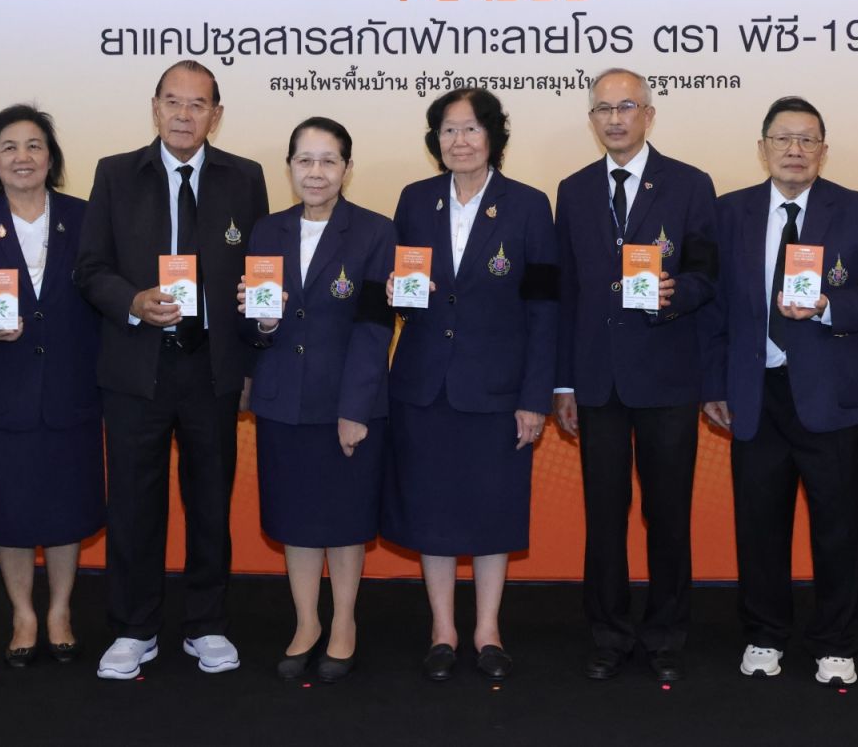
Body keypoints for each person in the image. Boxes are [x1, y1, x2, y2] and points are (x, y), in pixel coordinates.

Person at [75, 60, 268, 679]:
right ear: (154, 107)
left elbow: (259, 274)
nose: (185, 115)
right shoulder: (114, 174)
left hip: (212, 366)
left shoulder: (245, 178)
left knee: (210, 501)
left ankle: (206, 623)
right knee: (135, 503)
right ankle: (134, 628)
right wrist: (132, 301)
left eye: (198, 104)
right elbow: (90, 268)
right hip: (137, 366)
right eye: (173, 102)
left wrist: (252, 358)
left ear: (216, 114)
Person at [704, 97, 858, 686]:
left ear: (823, 150)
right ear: (762, 148)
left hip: (830, 396)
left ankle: (836, 642)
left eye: (807, 139)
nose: (795, 150)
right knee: (760, 525)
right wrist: (714, 384)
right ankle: (765, 634)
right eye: (782, 139)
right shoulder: (729, 212)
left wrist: (829, 305)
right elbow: (713, 306)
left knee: (839, 526)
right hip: (754, 392)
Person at [383, 88, 557, 683]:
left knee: (491, 509)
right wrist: (393, 291)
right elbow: (402, 288)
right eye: (448, 130)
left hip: (497, 389)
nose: (459, 141)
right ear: (436, 141)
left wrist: (534, 397)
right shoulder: (415, 200)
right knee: (431, 509)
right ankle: (442, 629)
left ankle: (487, 630)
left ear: (493, 137)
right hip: (423, 385)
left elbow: (544, 308)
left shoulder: (529, 205)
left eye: (471, 129)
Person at [552, 67, 717, 683]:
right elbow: (566, 293)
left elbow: (708, 275)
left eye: (626, 107)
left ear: (649, 115)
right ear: (592, 119)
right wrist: (563, 382)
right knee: (604, 514)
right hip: (597, 381)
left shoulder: (690, 184)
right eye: (604, 109)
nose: (615, 119)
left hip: (667, 377)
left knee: (668, 514)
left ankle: (667, 633)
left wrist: (677, 293)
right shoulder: (573, 190)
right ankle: (608, 633)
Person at [0, 105, 104, 668]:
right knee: (8, 507)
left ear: (51, 158)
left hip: (71, 386)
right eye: (8, 147)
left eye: (34, 145)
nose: (22, 157)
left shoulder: (84, 217)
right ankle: (23, 615)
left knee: (66, 505)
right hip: (2, 388)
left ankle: (59, 611)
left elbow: (104, 290)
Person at [238, 117, 395, 684]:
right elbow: (255, 329)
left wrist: (354, 409)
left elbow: (375, 328)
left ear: (347, 169)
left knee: (345, 520)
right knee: (296, 518)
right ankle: (306, 622)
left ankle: (344, 622)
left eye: (329, 160)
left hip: (346, 401)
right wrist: (261, 322)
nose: (316, 172)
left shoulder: (376, 232)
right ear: (289, 168)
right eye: (305, 160)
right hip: (283, 399)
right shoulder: (266, 231)